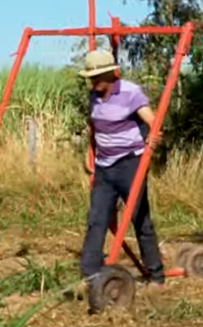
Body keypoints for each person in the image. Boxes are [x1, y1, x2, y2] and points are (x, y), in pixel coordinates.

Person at [77, 49, 165, 287]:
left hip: (130, 165)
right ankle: (90, 276)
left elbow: (153, 122)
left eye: (97, 77)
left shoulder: (130, 92)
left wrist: (152, 140)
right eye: (91, 78)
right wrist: (91, 155)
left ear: (109, 74)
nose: (93, 82)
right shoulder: (93, 96)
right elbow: (93, 128)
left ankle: (156, 276)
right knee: (97, 219)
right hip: (104, 168)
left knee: (140, 219)